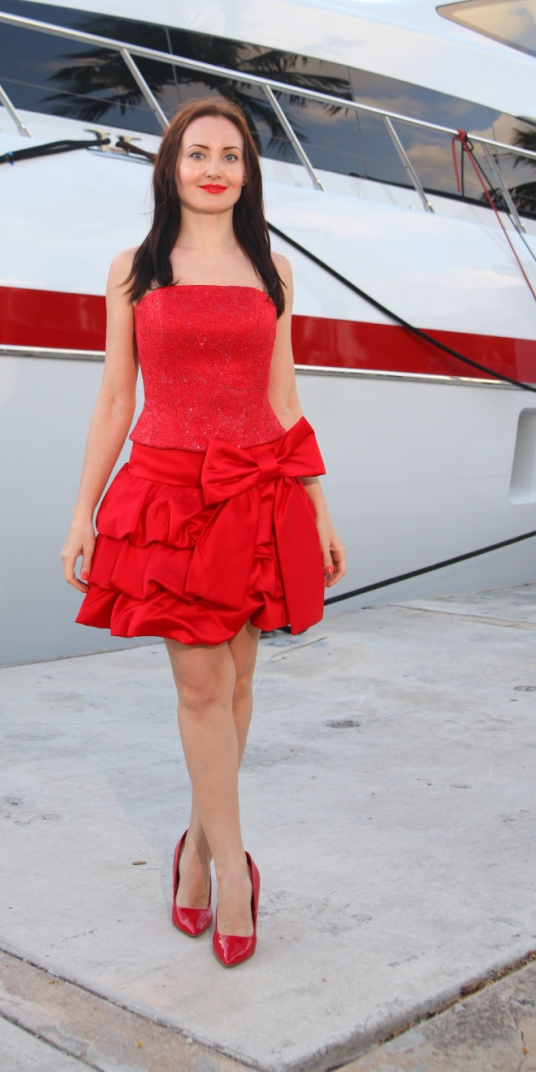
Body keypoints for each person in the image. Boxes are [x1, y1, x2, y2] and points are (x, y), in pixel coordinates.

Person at [61, 96, 346, 967]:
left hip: (260, 490)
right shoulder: (134, 270)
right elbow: (116, 397)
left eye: (231, 155)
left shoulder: (274, 270)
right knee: (199, 686)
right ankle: (232, 870)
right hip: (169, 497)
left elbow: (283, 397)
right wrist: (82, 512)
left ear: (248, 173)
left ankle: (194, 851)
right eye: (198, 154)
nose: (214, 168)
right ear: (171, 168)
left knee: (239, 680)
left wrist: (320, 508)